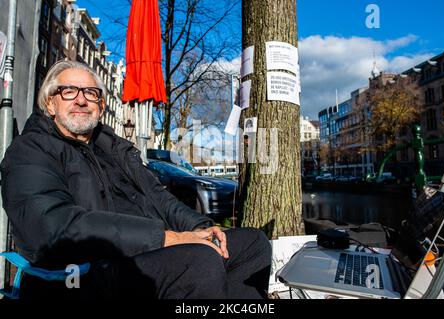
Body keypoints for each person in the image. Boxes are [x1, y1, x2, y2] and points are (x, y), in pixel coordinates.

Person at [0, 60, 272, 299]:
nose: (81, 100)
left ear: (101, 105)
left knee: (252, 243)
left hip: (141, 255)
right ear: (50, 103)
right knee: (199, 261)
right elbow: (54, 227)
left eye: (91, 93)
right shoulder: (29, 151)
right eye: (69, 91)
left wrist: (203, 227)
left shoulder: (115, 149)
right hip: (78, 273)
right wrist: (168, 239)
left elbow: (160, 198)